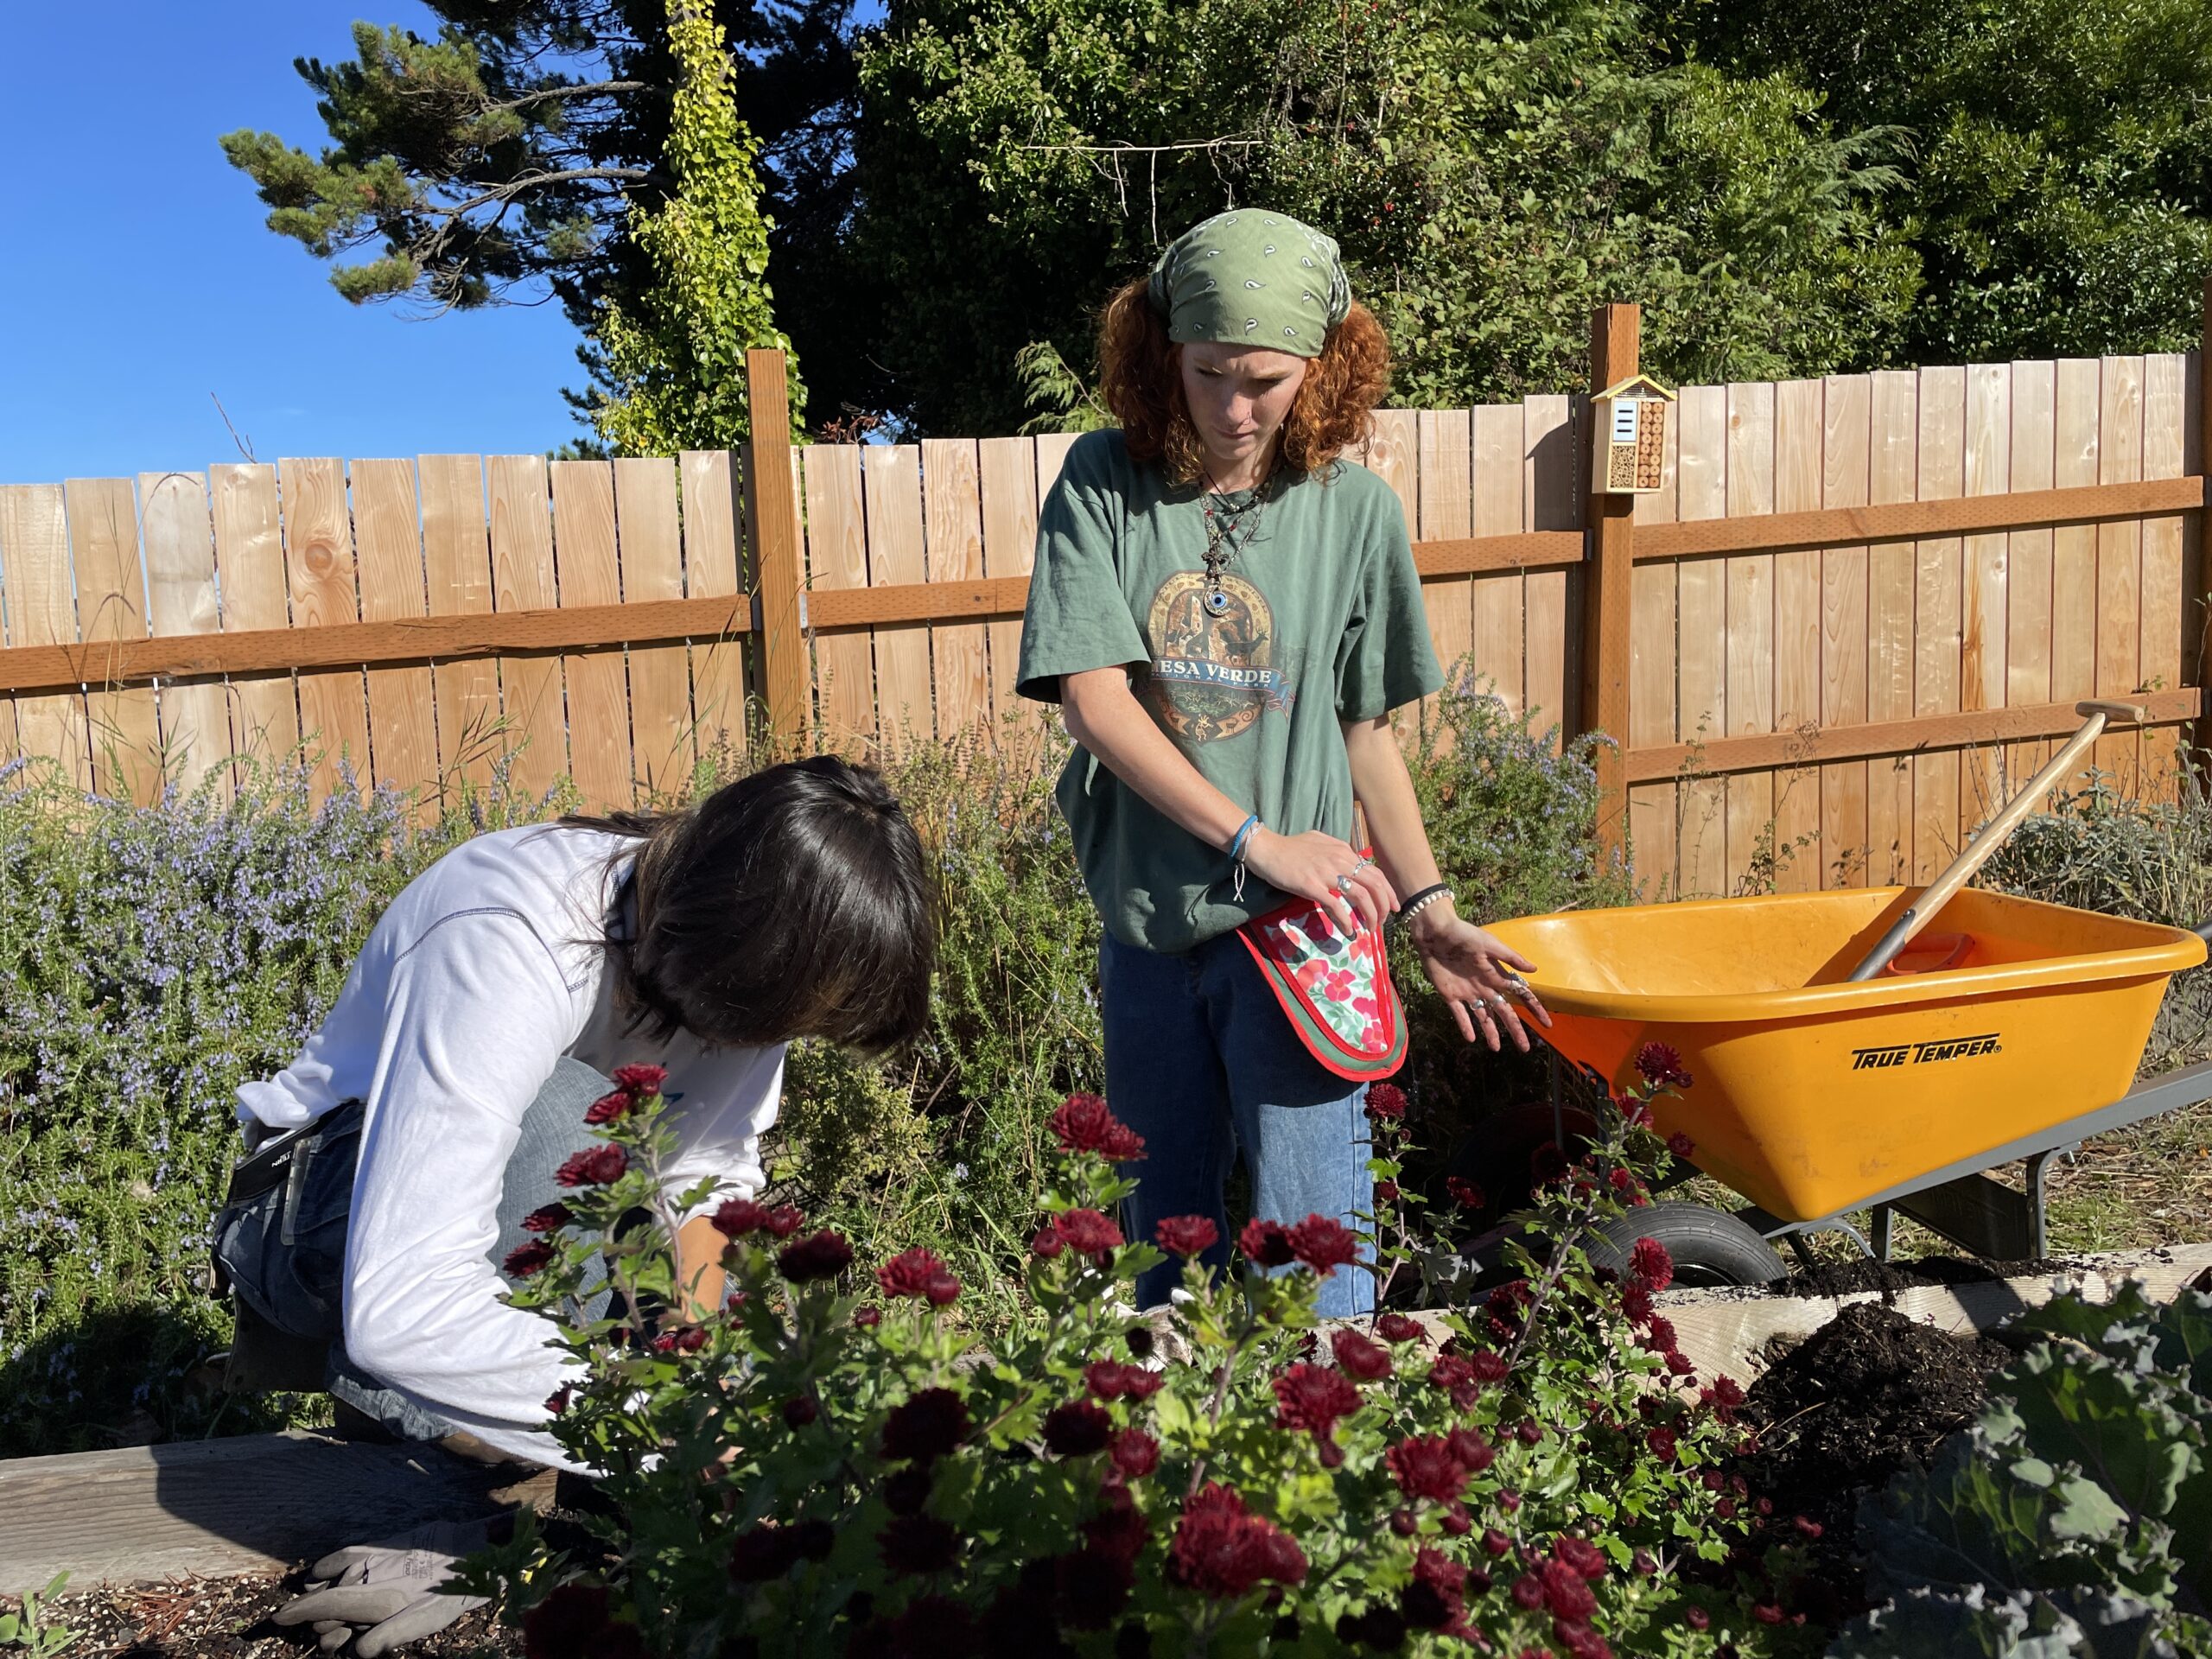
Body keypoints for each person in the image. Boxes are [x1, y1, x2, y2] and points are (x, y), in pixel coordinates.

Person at [213, 757, 934, 1651]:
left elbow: (702, 1186)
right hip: (318, 1229)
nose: (770, 1043)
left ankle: (567, 1496)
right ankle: (441, 1458)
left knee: (754, 1354)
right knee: (569, 1116)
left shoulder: (745, 955)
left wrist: (702, 1384)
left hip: (518, 1224)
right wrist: (664, 1427)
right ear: (720, 945)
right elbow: (403, 1300)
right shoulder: (514, 931)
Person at [1016, 208, 1551, 1319]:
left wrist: (1430, 908)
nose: (1236, 408)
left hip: (1300, 944)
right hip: (1153, 929)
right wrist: (1258, 841)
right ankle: (1176, 1479)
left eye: (1267, 379)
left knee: (1313, 1257)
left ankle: (1328, 1471)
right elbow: (1096, 704)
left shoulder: (1356, 514)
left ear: (1326, 367)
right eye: (1209, 372)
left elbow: (1367, 736)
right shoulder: (1103, 484)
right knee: (1161, 1248)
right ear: (1160, 350)